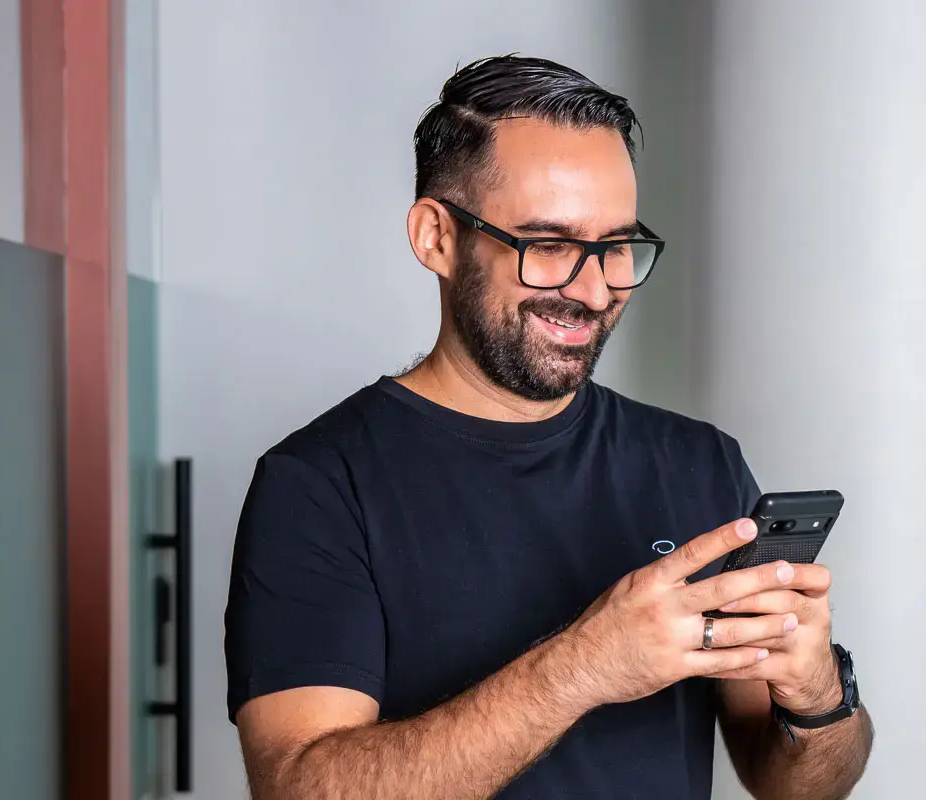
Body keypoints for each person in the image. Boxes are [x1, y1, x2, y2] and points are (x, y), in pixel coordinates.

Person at [224, 54, 874, 799]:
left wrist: (819, 693)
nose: (594, 290)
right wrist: (585, 667)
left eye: (617, 246)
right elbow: (301, 788)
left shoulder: (699, 464)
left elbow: (799, 787)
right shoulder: (318, 484)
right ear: (436, 236)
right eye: (550, 245)